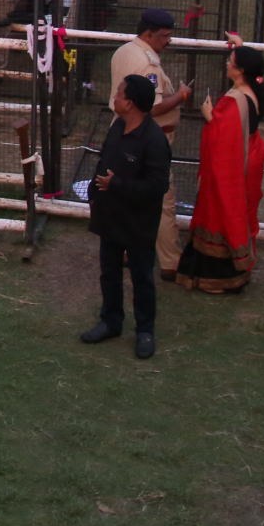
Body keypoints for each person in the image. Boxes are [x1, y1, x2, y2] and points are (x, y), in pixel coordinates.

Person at [80, 75, 173, 356]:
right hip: (109, 216)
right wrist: (95, 197)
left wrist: (116, 185)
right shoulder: (117, 126)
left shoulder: (154, 141)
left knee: (142, 276)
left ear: (130, 103)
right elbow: (104, 162)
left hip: (138, 222)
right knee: (109, 272)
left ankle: (145, 331)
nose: (115, 97)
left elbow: (158, 187)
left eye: (119, 93)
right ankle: (111, 321)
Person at [177, 40, 264, 296]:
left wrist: (209, 117)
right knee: (239, 210)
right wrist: (241, 46)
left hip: (232, 166)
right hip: (248, 159)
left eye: (231, 62)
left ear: (240, 70)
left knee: (222, 210)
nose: (227, 64)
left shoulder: (236, 99)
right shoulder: (253, 89)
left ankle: (217, 278)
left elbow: (224, 137)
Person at [107, 9, 190, 280]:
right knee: (162, 200)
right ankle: (170, 262)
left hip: (123, 134)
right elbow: (151, 108)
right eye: (165, 36)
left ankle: (125, 249)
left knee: (125, 196)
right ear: (149, 34)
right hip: (148, 139)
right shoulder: (148, 64)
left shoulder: (123, 51)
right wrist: (180, 96)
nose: (168, 41)